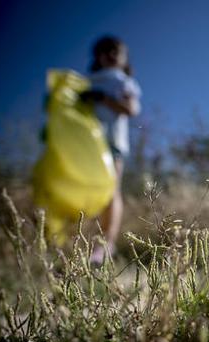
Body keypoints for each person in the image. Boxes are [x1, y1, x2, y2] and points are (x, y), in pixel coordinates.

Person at [80, 35, 141, 265]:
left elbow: (131, 108)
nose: (110, 55)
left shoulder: (123, 82)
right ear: (97, 57)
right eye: (105, 51)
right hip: (86, 147)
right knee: (87, 192)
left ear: (124, 58)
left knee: (110, 191)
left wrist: (103, 98)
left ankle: (106, 244)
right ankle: (82, 245)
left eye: (116, 51)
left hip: (113, 144)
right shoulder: (86, 81)